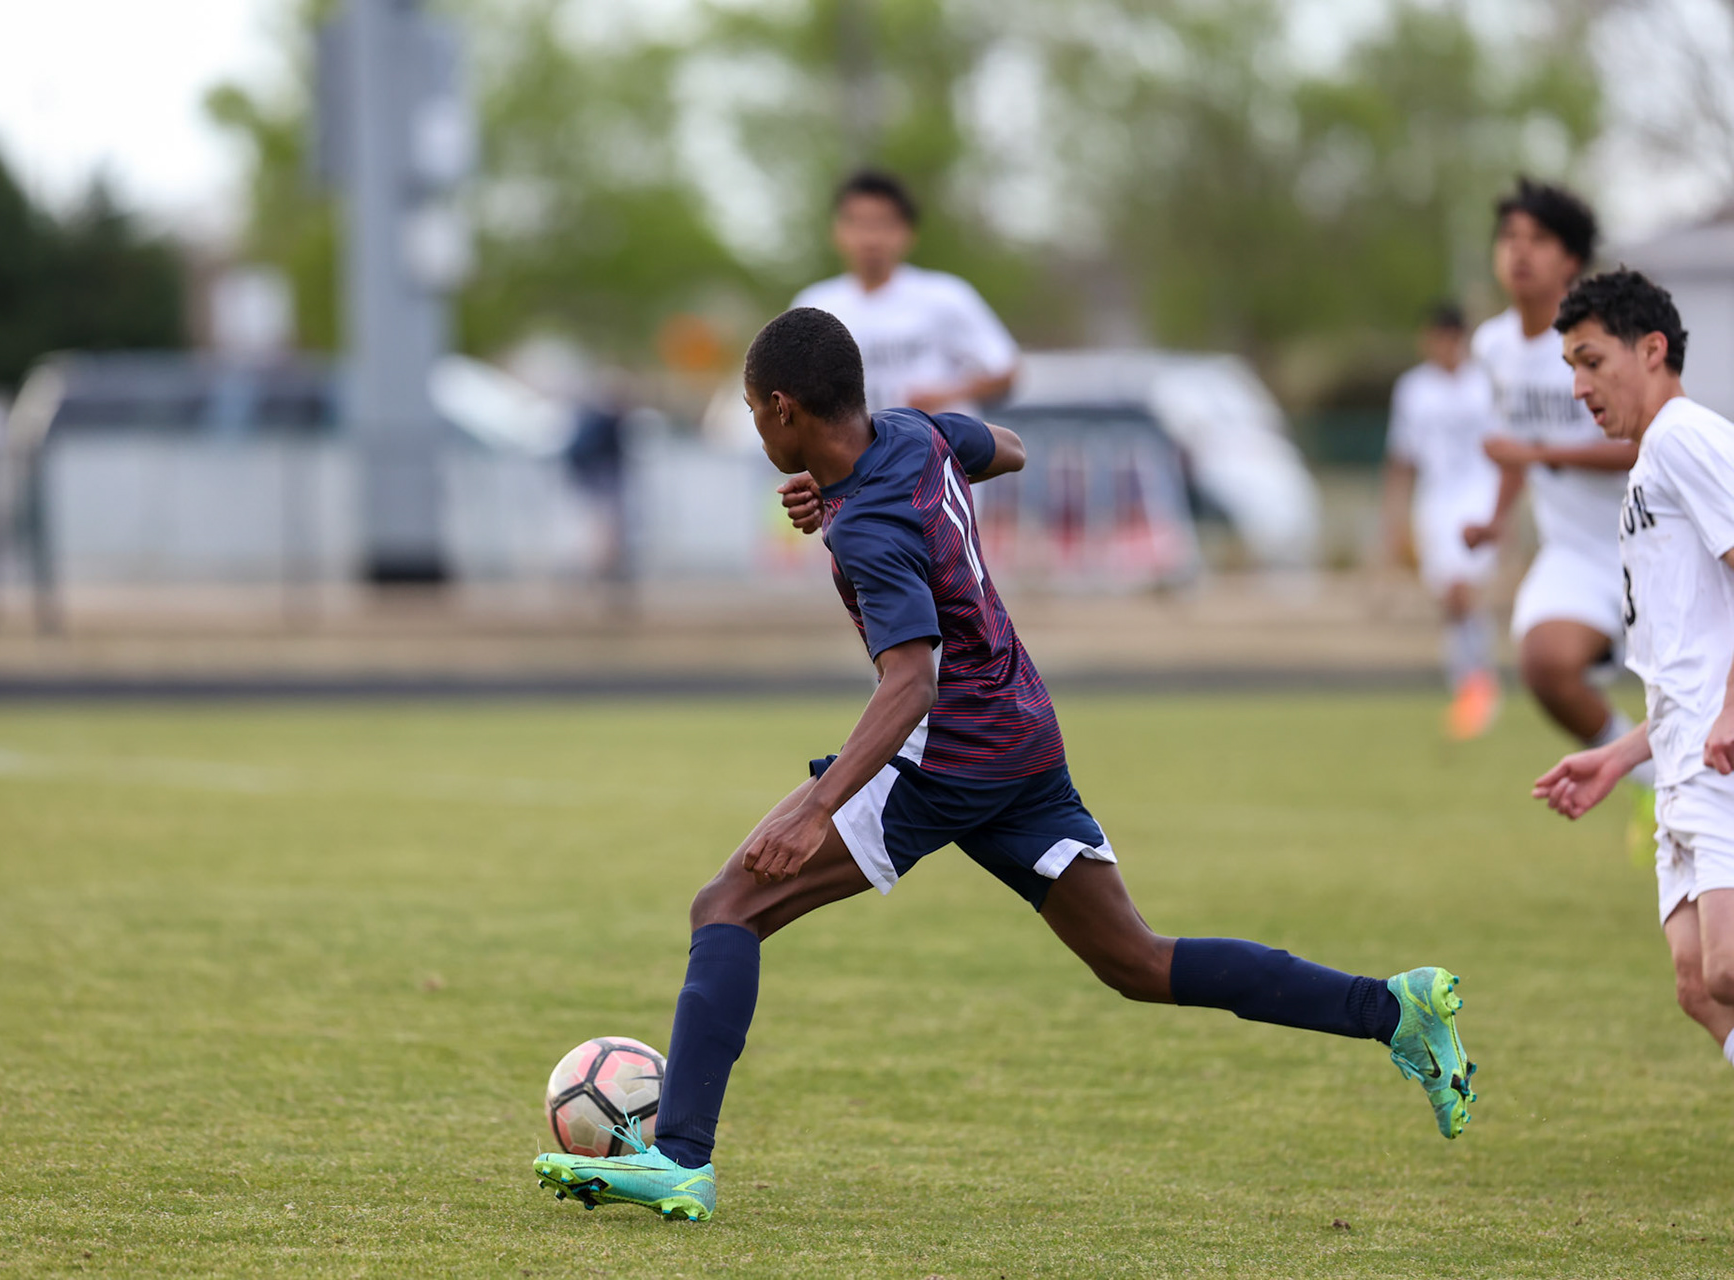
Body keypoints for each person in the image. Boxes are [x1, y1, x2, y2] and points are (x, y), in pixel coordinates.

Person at [531, 308, 1477, 1223]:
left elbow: (912, 684)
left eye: (751, 410)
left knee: (727, 906)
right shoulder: (913, 434)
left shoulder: (865, 527)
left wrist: (816, 807)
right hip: (1025, 736)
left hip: (948, 754)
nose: (752, 427)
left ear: (785, 409)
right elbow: (1009, 448)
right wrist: (847, 496)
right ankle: (1392, 1011)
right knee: (1136, 961)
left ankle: (681, 1160)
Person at [1530, 269, 1734, 1073]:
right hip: (1684, 753)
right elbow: (1689, 659)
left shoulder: (1685, 435)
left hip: (1721, 752)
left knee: (1726, 965)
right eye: (1571, 369)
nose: (1579, 387)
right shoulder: (1647, 471)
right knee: (1697, 983)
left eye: (1591, 361)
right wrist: (1619, 755)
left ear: (1652, 350)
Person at [1462, 181, 1653, 791]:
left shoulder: (1600, 339)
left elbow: (1646, 443)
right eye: (1509, 237)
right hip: (1575, 552)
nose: (1520, 252)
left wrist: (1535, 452)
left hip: (1654, 542)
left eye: (1539, 239)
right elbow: (1514, 446)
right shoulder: (1491, 345)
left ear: (1571, 259)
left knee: (1699, 705)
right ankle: (1654, 789)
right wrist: (1495, 519)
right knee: (1545, 665)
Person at [792, 170, 1019, 415]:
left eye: (883, 224)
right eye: (857, 223)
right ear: (836, 231)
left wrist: (946, 395)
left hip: (936, 447)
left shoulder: (946, 296)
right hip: (856, 452)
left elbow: (1006, 371)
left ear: (908, 232)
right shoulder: (813, 306)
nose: (870, 238)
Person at [1380, 302, 1503, 738]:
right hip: (1436, 501)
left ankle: (1477, 688)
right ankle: (1471, 682)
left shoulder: (1484, 385)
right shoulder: (1413, 389)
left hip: (1479, 496)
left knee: (1461, 590)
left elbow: (1507, 448)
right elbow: (1402, 457)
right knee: (1450, 601)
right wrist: (1394, 519)